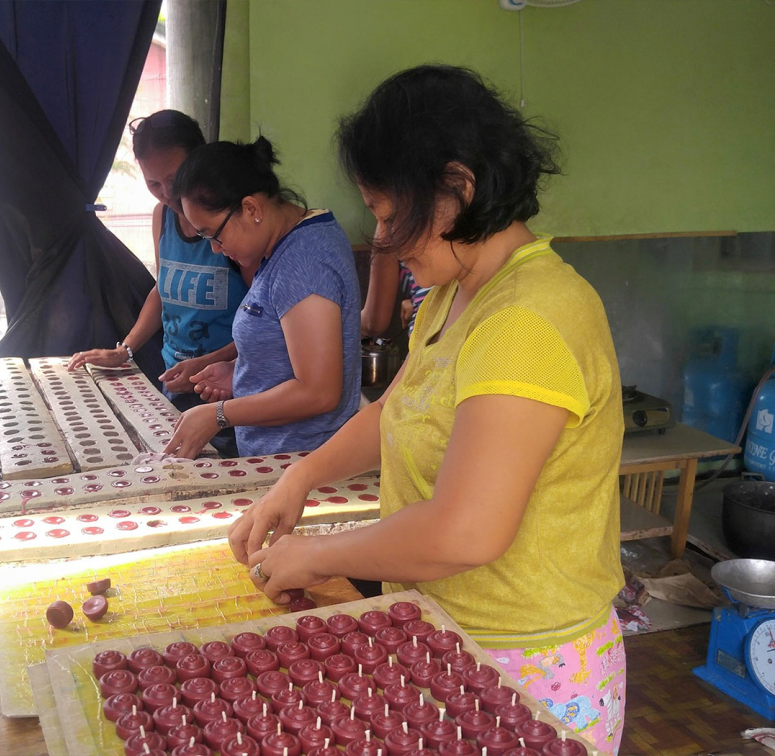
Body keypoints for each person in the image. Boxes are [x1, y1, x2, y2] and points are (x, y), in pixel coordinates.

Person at [227, 65, 627, 754]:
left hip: (523, 664)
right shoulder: (451, 295)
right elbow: (395, 410)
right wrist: (299, 480)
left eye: (388, 216)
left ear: (458, 190)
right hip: (444, 633)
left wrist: (320, 555)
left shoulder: (528, 319)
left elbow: (465, 532)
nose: (381, 240)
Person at [161, 137, 362, 460]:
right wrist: (243, 371)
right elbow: (293, 350)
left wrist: (219, 414)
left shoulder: (304, 260)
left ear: (251, 208)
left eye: (214, 234)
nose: (215, 248)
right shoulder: (283, 248)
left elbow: (319, 392)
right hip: (279, 461)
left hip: (303, 462)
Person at [67, 110, 250, 456]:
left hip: (226, 388)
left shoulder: (232, 222)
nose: (168, 192)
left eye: (175, 177)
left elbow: (262, 318)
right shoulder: (163, 217)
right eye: (154, 184)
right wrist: (126, 350)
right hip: (175, 381)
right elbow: (162, 288)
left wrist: (213, 362)